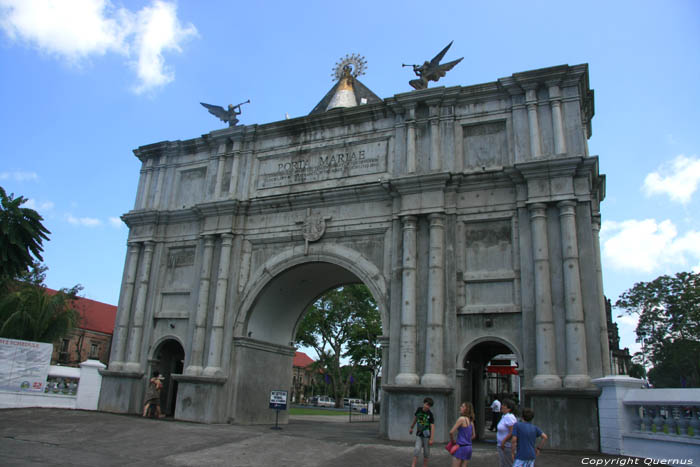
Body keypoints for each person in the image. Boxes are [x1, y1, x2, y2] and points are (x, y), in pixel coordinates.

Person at [409, 397, 435, 467]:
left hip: (427, 436)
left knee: (426, 452)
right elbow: (415, 419)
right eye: (426, 404)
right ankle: (413, 465)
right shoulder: (419, 410)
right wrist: (411, 427)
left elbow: (432, 426)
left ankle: (425, 465)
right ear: (424, 403)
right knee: (417, 449)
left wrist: (432, 438)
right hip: (419, 434)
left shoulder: (430, 414)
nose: (427, 406)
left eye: (429, 406)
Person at [448, 401, 476, 467]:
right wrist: (467, 439)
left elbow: (451, 432)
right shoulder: (471, 421)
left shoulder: (461, 419)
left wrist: (453, 441)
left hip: (461, 447)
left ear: (466, 409)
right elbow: (474, 435)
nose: (460, 407)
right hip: (468, 447)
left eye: (462, 406)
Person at [496, 399, 518, 467]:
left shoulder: (509, 417)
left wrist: (504, 441)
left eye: (504, 405)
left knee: (507, 464)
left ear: (509, 409)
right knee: (503, 463)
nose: (502, 406)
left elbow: (512, 431)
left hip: (506, 446)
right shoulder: (504, 416)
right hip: (502, 445)